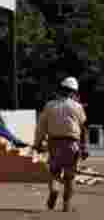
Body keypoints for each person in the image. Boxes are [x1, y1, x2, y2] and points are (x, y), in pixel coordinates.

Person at [33, 77, 88, 211]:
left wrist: (38, 143)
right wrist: (84, 148)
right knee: (69, 177)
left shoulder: (49, 105)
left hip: (54, 143)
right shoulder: (77, 107)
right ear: (74, 92)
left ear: (60, 90)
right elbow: (84, 128)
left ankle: (54, 190)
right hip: (71, 144)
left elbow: (41, 127)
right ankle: (66, 206)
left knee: (54, 172)